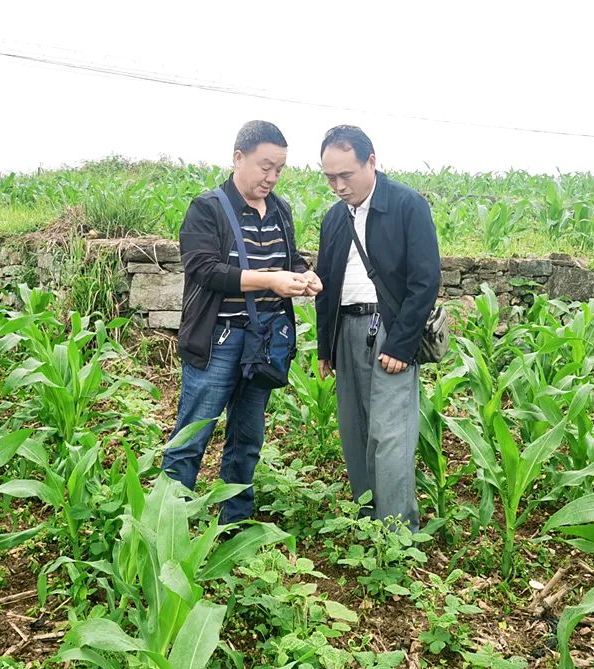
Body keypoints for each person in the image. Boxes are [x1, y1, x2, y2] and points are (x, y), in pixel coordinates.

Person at [161, 120, 322, 524]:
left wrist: (304, 274)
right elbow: (205, 271)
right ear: (238, 158)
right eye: (265, 166)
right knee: (191, 436)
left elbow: (289, 259)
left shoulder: (280, 209)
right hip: (218, 341)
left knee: (247, 438)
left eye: (280, 169)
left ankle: (234, 522)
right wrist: (270, 281)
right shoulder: (208, 209)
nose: (272, 177)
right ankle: (168, 523)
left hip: (265, 341)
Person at [314, 125, 441, 530]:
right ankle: (367, 518)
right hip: (345, 331)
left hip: (389, 330)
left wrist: (402, 346)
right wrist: (324, 348)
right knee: (355, 431)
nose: (337, 185)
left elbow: (426, 281)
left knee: (390, 435)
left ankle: (398, 531)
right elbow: (327, 284)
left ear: (371, 162)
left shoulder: (407, 205)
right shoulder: (335, 219)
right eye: (329, 177)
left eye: (345, 175)